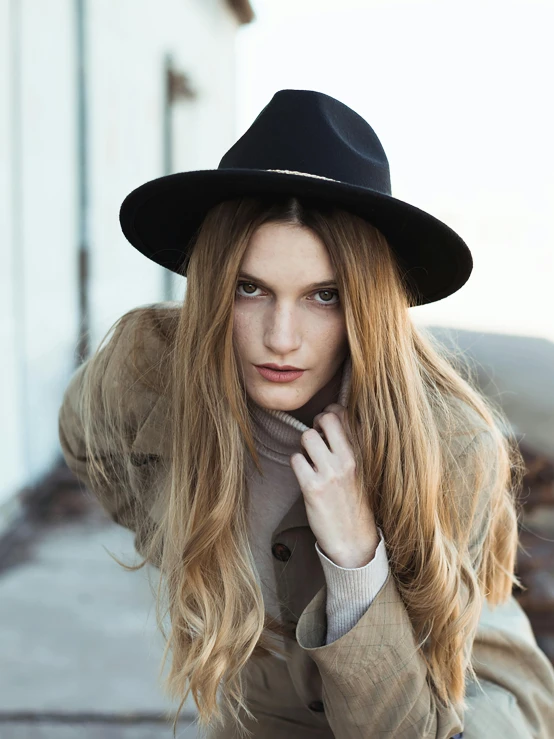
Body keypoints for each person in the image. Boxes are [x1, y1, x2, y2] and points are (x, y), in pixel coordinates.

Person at [58, 89, 554, 739]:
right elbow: (92, 447)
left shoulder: (453, 445)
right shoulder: (141, 372)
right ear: (212, 285)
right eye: (249, 287)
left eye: (323, 295)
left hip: (461, 703)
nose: (281, 336)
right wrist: (191, 538)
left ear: (365, 304)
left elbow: (413, 724)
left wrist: (354, 558)